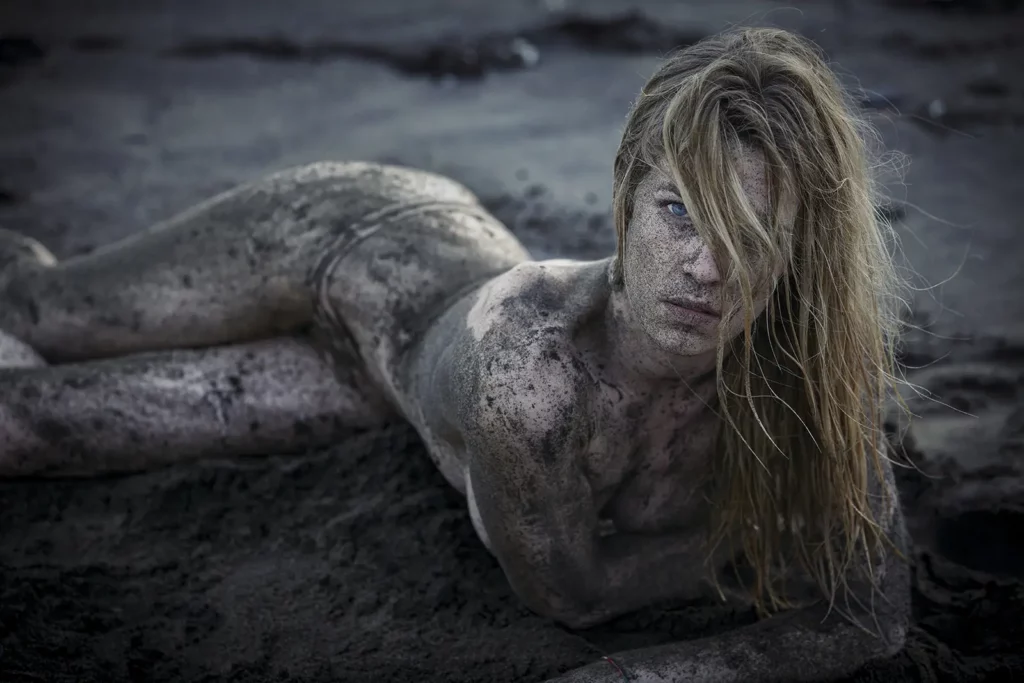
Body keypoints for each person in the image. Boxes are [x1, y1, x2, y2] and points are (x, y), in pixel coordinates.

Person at [0, 27, 910, 682]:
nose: (706, 267)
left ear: (800, 249)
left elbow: (874, 612)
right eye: (677, 212)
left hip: (375, 385)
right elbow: (573, 596)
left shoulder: (815, 370)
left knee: (22, 428)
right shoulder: (533, 373)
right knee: (34, 306)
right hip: (356, 241)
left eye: (752, 231)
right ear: (626, 199)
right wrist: (761, 546)